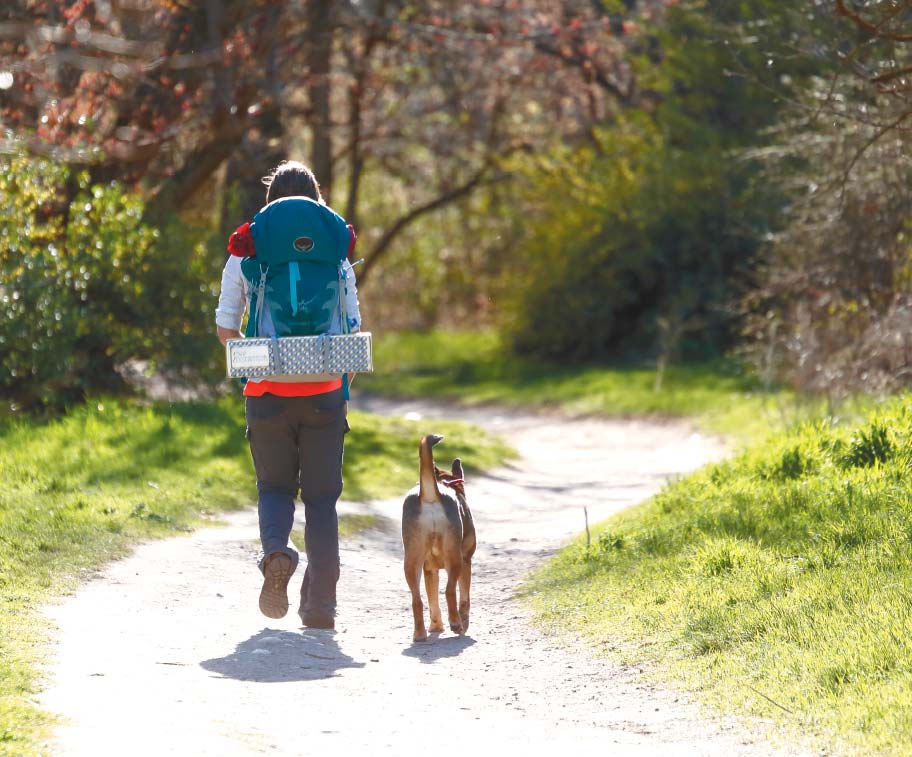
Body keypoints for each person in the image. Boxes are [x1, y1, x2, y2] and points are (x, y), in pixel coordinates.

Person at [215, 160, 361, 630]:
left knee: (275, 488)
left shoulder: (248, 248)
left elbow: (225, 327)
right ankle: (321, 608)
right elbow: (351, 326)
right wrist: (337, 386)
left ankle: (277, 551)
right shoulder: (334, 248)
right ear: (317, 198)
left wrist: (258, 363)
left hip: (266, 393)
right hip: (325, 392)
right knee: (322, 501)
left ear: (269, 199)